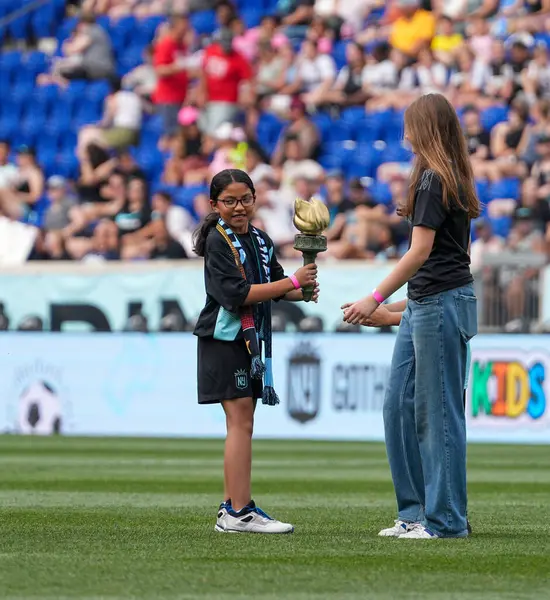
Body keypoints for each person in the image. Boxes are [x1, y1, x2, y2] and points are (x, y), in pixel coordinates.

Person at [342, 93, 481, 539]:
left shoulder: (433, 181)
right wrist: (395, 313)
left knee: (436, 414)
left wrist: (375, 297)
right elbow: (446, 264)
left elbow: (421, 254)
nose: (404, 134)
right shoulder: (444, 178)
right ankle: (417, 512)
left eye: (409, 125)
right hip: (432, 304)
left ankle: (444, 520)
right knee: (399, 408)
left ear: (423, 128)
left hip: (439, 305)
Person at [193, 168, 318, 534]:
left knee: (242, 424)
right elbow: (237, 294)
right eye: (229, 201)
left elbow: (276, 286)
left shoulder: (261, 239)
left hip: (245, 341)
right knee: (241, 422)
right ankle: (238, 511)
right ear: (215, 204)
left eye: (245, 199)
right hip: (223, 339)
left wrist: (302, 288)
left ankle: (233, 509)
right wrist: (292, 282)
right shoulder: (218, 241)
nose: (239, 207)